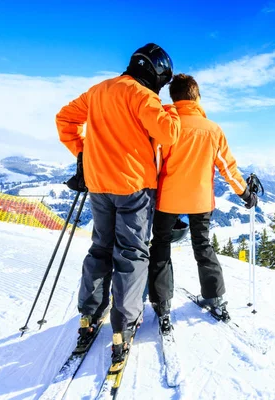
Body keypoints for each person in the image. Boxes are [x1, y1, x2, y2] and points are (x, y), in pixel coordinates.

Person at [56, 43, 181, 362]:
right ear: (155, 72)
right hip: (134, 187)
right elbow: (168, 134)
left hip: (99, 185)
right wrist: (172, 109)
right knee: (131, 254)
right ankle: (123, 326)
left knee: (100, 248)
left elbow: (65, 120)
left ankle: (89, 316)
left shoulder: (98, 90)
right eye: (162, 80)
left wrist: (83, 156)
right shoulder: (143, 96)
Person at [148, 73, 258, 333]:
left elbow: (155, 164)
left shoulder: (166, 126)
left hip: (168, 198)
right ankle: (215, 298)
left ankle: (162, 306)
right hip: (200, 199)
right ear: (196, 96)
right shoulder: (212, 130)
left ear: (174, 97)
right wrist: (244, 194)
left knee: (161, 246)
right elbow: (227, 168)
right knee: (203, 245)